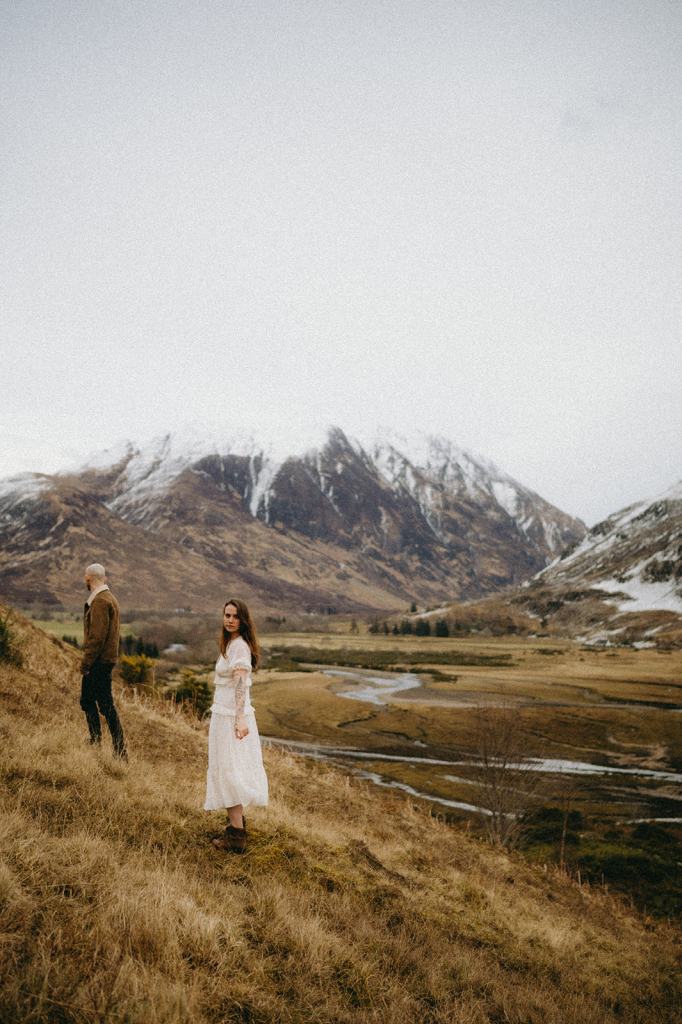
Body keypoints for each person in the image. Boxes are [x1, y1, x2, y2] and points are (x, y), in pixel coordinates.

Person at [205, 599, 268, 853]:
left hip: (231, 717)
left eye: (235, 616)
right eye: (227, 615)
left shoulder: (240, 646)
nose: (230, 620)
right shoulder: (231, 644)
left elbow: (241, 683)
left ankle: (236, 837)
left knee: (229, 772)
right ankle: (236, 825)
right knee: (227, 770)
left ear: (243, 620)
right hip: (224, 714)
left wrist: (239, 718)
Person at [79, 563, 127, 759]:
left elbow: (97, 637)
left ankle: (113, 747)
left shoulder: (100, 601)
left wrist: (86, 663)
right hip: (105, 660)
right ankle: (106, 744)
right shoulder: (109, 598)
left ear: (88, 578)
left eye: (85, 577)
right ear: (104, 578)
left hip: (99, 661)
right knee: (95, 701)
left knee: (98, 703)